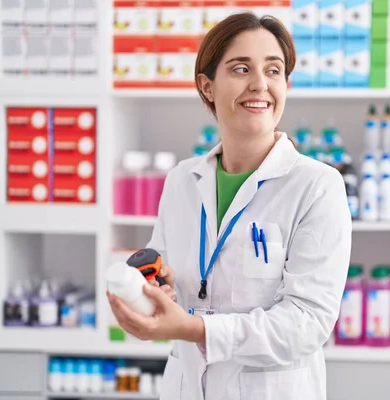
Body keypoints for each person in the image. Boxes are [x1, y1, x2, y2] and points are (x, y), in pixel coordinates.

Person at [107, 11, 352, 400]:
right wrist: (155, 294)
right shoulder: (182, 181)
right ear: (207, 86)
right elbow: (168, 281)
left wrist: (194, 329)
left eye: (274, 71)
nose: (260, 84)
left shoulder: (317, 187)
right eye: (241, 69)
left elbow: (306, 325)